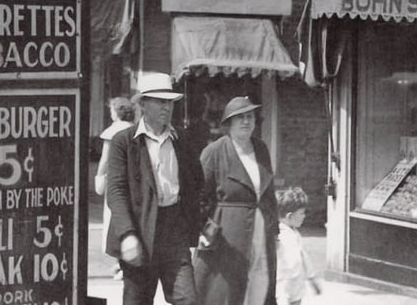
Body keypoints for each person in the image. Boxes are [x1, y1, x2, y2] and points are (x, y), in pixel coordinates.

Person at [105, 72, 203, 305]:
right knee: (137, 300)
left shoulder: (182, 140)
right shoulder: (124, 142)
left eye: (169, 102)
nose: (166, 107)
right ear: (143, 104)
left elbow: (197, 183)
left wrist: (200, 222)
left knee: (188, 299)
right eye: (160, 101)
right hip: (139, 230)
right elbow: (116, 191)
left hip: (174, 231)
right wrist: (127, 234)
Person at [194, 96, 279, 305]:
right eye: (239, 117)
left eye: (249, 116)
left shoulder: (261, 149)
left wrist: (275, 229)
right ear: (228, 123)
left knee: (261, 279)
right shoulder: (214, 152)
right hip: (226, 235)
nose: (246, 122)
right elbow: (198, 198)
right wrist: (204, 230)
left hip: (261, 229)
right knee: (226, 291)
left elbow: (269, 193)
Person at [96, 96, 136, 279]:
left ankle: (120, 262)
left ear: (117, 112)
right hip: (133, 184)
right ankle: (123, 262)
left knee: (114, 220)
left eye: (112, 109)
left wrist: (98, 177)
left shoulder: (112, 132)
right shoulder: (135, 129)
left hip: (116, 182)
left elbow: (105, 159)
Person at [275, 187, 322, 305]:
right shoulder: (277, 234)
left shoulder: (295, 233)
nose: (304, 216)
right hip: (282, 282)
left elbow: (303, 255)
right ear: (289, 216)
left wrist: (312, 278)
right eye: (301, 213)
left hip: (296, 282)